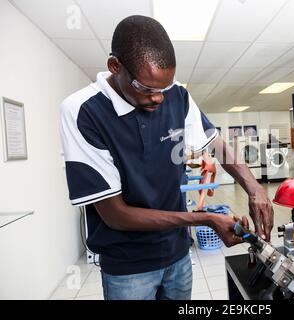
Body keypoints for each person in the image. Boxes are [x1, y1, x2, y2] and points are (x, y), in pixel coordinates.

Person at [59, 15, 274, 300]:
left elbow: (217, 144)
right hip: (128, 266)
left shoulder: (176, 95)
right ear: (115, 66)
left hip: (177, 255)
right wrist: (205, 219)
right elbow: (116, 214)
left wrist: (254, 188)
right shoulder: (83, 111)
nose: (159, 98)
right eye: (147, 89)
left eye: (164, 88)